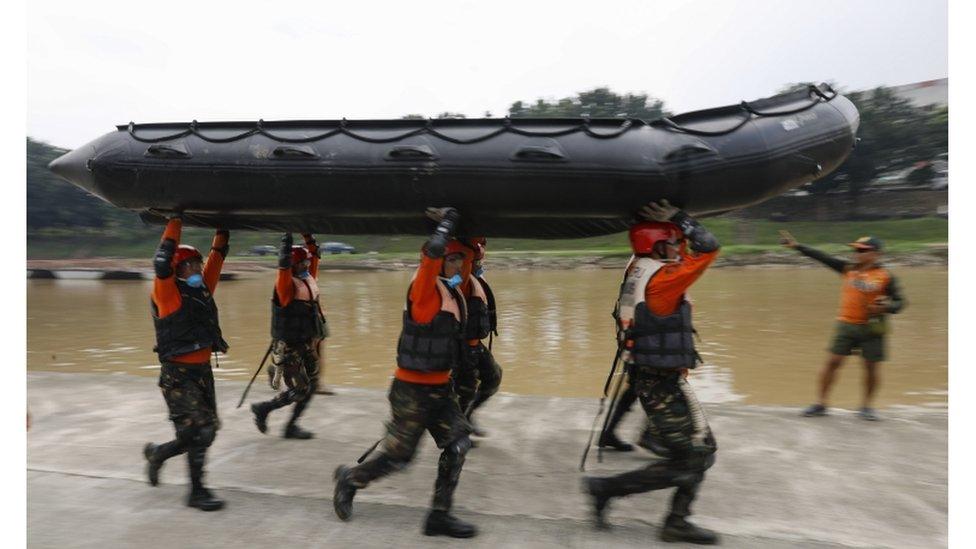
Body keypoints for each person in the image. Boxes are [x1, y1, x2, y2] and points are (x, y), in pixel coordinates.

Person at [333, 208, 478, 538]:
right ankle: (351, 479)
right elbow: (431, 253)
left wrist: (468, 234)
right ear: (439, 262)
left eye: (460, 261)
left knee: (458, 445)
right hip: (411, 391)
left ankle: (438, 516)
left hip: (441, 390)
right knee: (399, 458)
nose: (458, 266)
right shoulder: (424, 290)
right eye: (452, 260)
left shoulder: (454, 292)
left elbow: (470, 254)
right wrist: (446, 223)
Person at [583, 199, 721, 545]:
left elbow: (682, 248)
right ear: (658, 246)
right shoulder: (664, 281)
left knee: (701, 449)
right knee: (696, 456)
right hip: (661, 383)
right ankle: (610, 491)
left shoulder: (638, 267)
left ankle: (675, 518)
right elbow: (709, 247)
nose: (680, 247)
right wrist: (679, 217)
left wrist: (654, 222)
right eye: (673, 242)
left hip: (657, 377)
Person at [143, 216, 230, 511]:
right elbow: (163, 258)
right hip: (179, 375)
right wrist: (175, 217)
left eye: (197, 264)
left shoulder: (202, 290)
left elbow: (217, 257)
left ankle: (157, 454)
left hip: (203, 373)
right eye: (188, 265)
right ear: (176, 270)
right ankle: (197, 492)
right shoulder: (167, 294)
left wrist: (224, 225)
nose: (195, 269)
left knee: (200, 433)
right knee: (202, 430)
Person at [780, 232, 906, 421]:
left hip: (872, 328)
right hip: (846, 325)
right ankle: (821, 404)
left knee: (870, 368)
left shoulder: (886, 277)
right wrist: (797, 246)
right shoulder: (847, 269)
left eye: (862, 250)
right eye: (856, 249)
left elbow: (901, 302)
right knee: (832, 363)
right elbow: (823, 257)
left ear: (876, 254)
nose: (857, 253)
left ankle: (867, 407)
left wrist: (887, 307)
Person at [250, 233, 328, 439]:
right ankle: (264, 408)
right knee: (301, 389)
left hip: (306, 342)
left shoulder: (307, 278)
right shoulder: (285, 287)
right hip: (289, 346)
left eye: (306, 263)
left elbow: (314, 256)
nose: (306, 267)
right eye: (301, 264)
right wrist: (286, 244)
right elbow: (283, 269)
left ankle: (290, 427)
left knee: (312, 385)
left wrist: (308, 237)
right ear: (292, 265)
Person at [453, 237, 502, 437]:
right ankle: (458, 433)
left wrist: (482, 241)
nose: (481, 264)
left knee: (493, 377)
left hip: (475, 345)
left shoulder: (476, 279)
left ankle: (468, 417)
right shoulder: (459, 282)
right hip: (460, 349)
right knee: (465, 391)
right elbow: (468, 251)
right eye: (477, 261)